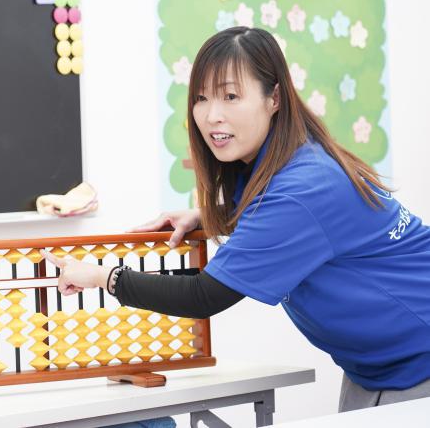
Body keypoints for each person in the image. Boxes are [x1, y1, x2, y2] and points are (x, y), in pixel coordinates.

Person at [40, 27, 430, 420]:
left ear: (274, 98)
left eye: (230, 96)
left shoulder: (304, 188)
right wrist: (212, 216)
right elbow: (277, 215)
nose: (212, 115)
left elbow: (205, 295)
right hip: (379, 368)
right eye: (201, 98)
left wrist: (103, 276)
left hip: (419, 361)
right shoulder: (281, 163)